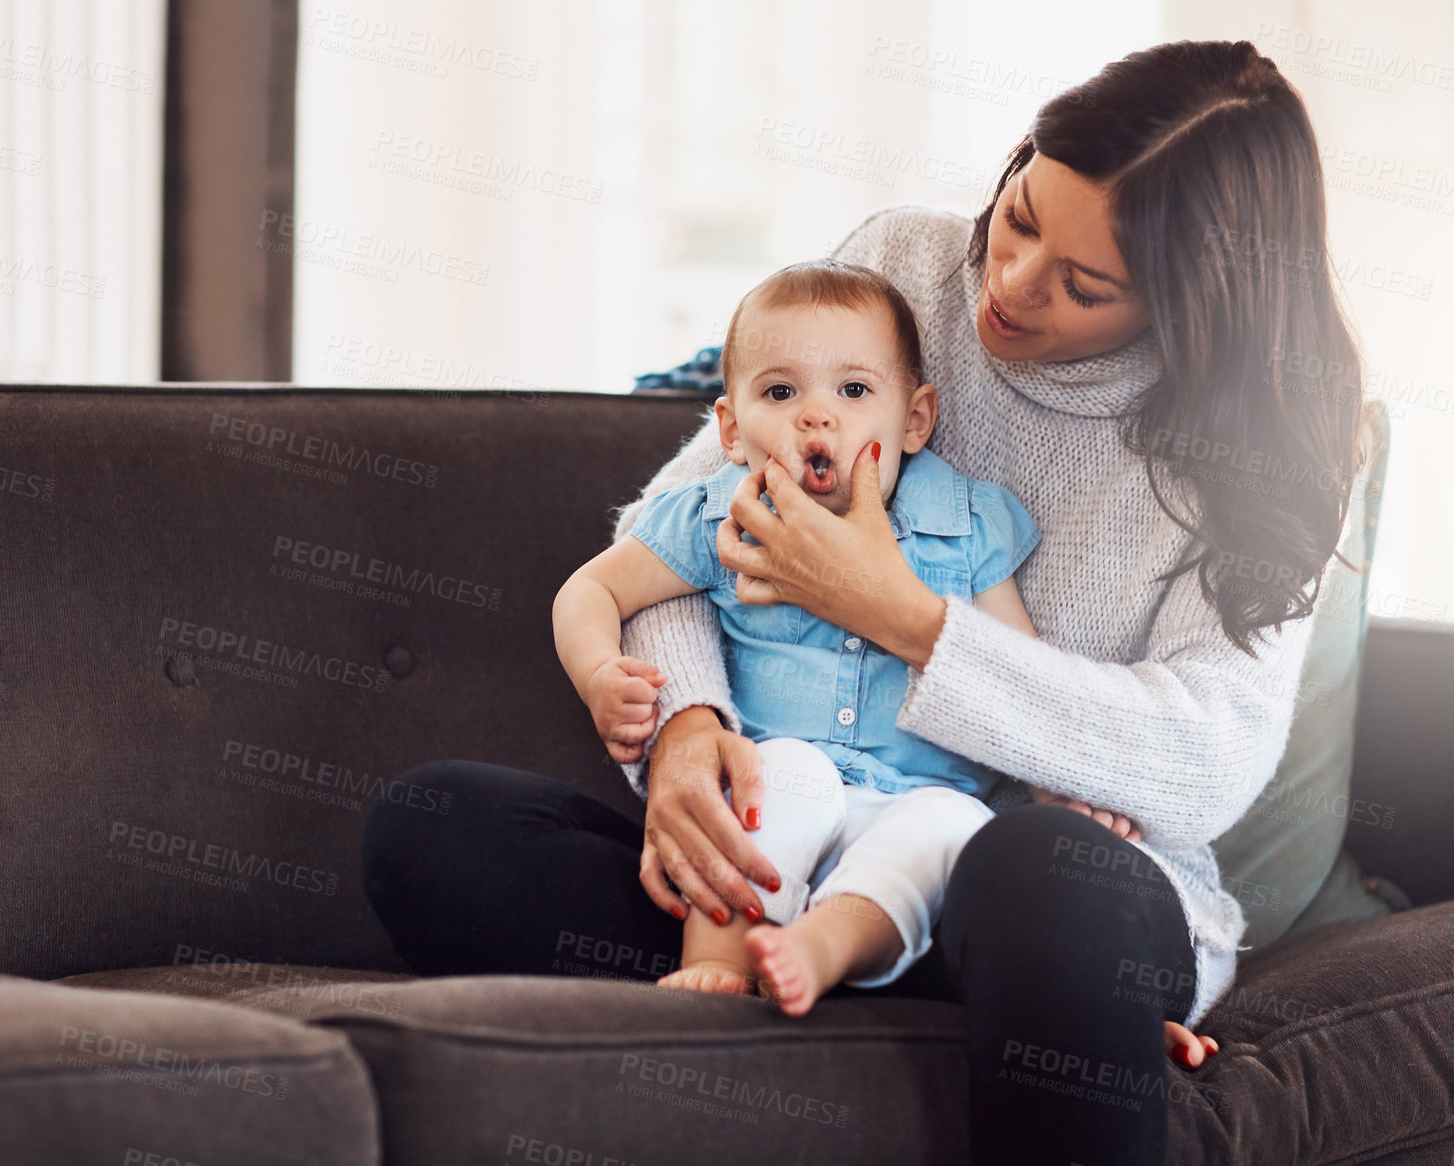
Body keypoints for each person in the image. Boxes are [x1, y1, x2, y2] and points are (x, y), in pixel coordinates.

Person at [364, 40, 1372, 1165]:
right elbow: (684, 526)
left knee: (1035, 869)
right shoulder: (901, 266)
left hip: (1036, 882)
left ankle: (985, 985)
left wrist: (904, 616)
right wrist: (689, 729)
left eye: (1083, 283)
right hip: (795, 834)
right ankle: (907, 990)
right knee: (440, 827)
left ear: (1195, 307)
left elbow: (1205, 762)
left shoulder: (1262, 459)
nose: (1010, 282)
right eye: (1020, 213)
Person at [554, 259, 1219, 1075]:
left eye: (855, 393)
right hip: (784, 786)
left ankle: (821, 949)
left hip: (917, 802)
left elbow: (1018, 673)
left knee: (956, 829)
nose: (816, 420)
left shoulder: (964, 526)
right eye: (780, 394)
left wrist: (1061, 791)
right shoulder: (712, 515)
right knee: (777, 779)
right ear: (730, 430)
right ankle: (722, 966)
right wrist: (598, 674)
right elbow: (592, 587)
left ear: (916, 419)